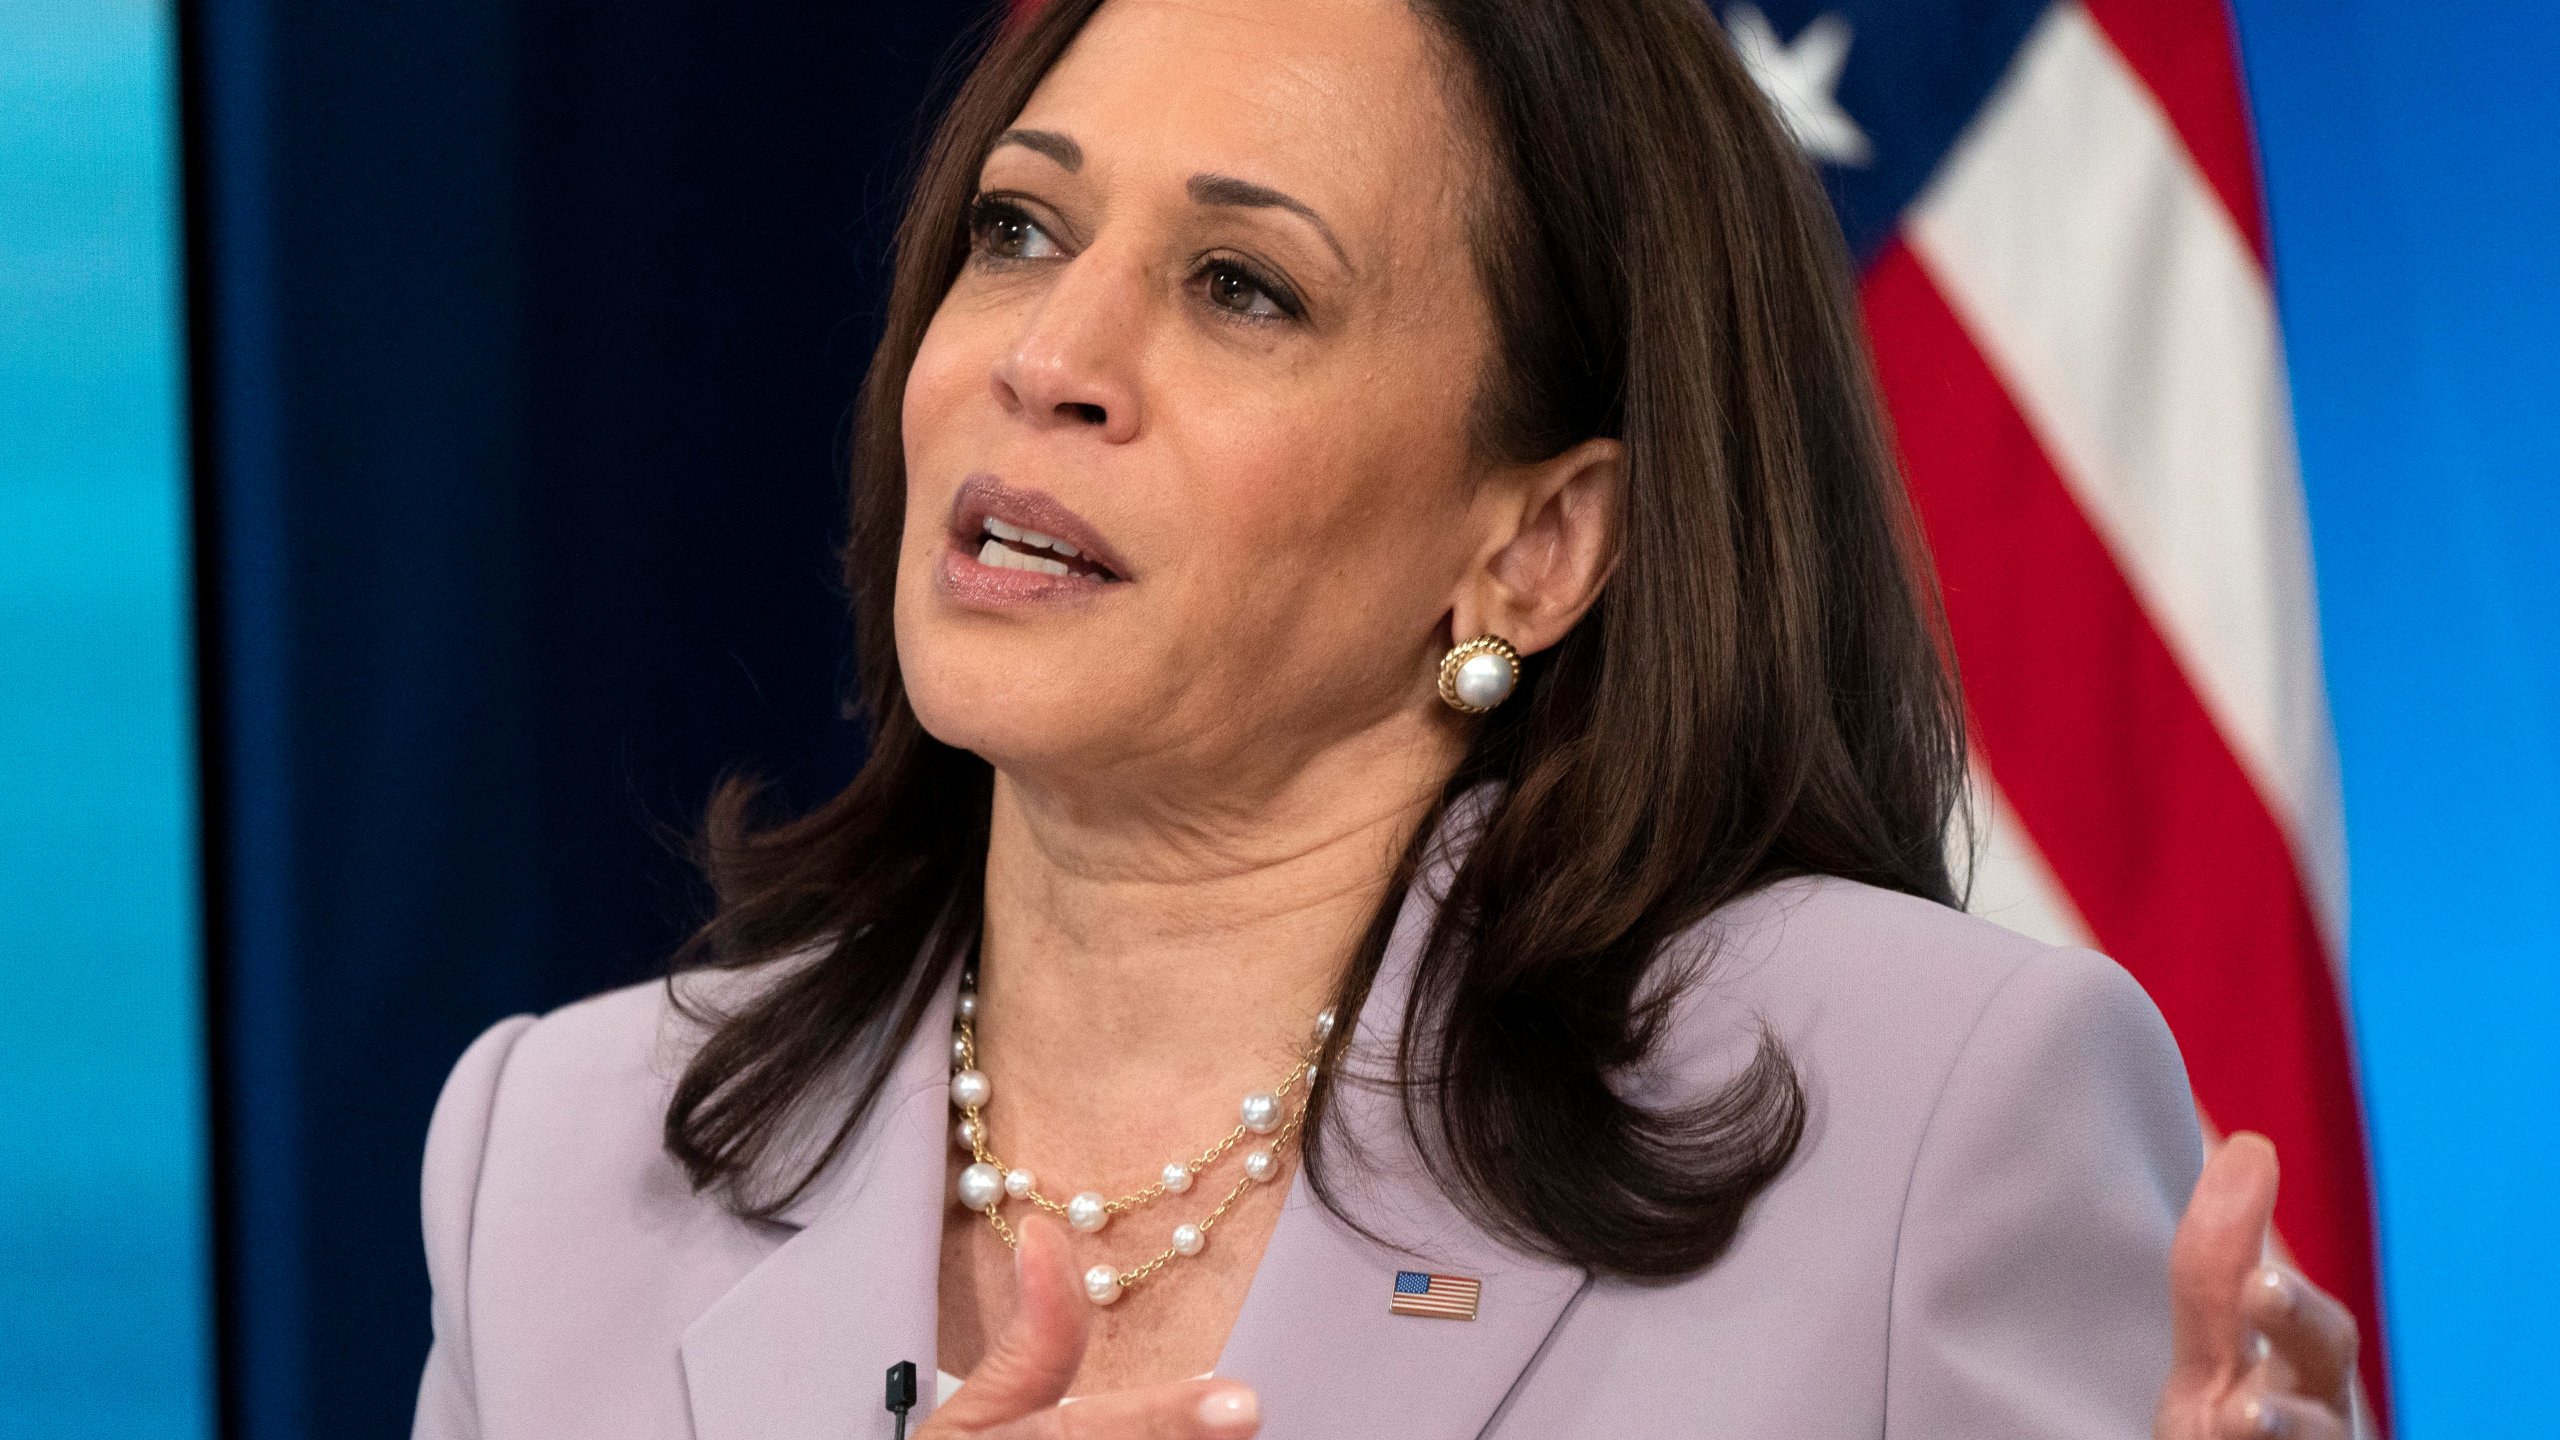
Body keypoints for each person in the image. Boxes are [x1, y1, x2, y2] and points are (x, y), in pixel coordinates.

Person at [409, 0, 2364, 1436]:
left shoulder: (1922, 1119)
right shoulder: (563, 1161)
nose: (1054, 359)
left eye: (1241, 287)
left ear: (1535, 543)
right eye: (1017, 231)